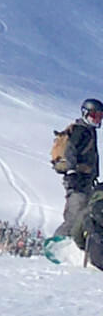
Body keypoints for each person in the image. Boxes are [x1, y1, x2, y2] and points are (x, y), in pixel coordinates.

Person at [52, 98, 103, 263]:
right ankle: (55, 247)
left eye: (100, 116)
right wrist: (73, 170)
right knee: (74, 216)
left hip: (86, 180)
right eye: (94, 115)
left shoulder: (89, 130)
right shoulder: (81, 130)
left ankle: (74, 250)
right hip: (77, 180)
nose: (97, 119)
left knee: (85, 216)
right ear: (85, 113)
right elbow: (71, 151)